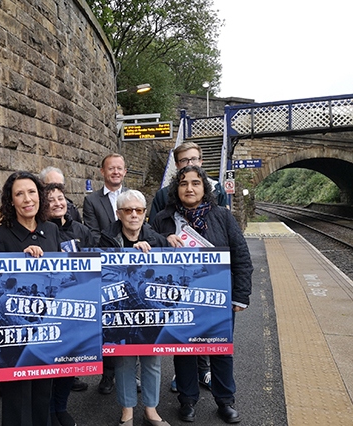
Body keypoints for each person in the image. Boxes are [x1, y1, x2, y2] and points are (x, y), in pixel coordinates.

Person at [152, 165, 253, 424]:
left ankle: (225, 400)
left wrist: (240, 296)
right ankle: (187, 400)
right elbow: (148, 256)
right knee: (184, 350)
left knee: (220, 350)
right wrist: (165, 240)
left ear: (204, 188)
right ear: (176, 189)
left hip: (218, 299)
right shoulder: (163, 219)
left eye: (195, 183)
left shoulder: (222, 216)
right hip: (180, 299)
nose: (189, 188)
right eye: (184, 183)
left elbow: (241, 257)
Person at [148, 142, 226, 393]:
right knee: (181, 327)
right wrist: (166, 238)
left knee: (207, 328)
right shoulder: (163, 195)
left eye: (194, 159)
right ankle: (185, 380)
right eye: (183, 161)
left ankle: (203, 371)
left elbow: (225, 231)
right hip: (176, 274)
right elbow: (155, 228)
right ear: (176, 164)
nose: (189, 164)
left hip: (209, 274)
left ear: (201, 162)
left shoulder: (218, 191)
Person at [0, 171, 62, 426]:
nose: (27, 199)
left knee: (43, 394)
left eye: (32, 192)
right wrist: (21, 260)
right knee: (16, 399)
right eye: (19, 194)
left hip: (45, 329)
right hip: (13, 333)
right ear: (10, 201)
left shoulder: (51, 230)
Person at [98, 190, 171, 426]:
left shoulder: (157, 240)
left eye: (138, 210)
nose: (133, 215)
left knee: (152, 361)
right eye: (128, 210)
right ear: (118, 214)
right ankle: (126, 411)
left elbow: (168, 276)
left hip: (149, 311)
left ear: (145, 214)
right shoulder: (105, 239)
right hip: (119, 312)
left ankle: (151, 410)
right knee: (124, 362)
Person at [46, 183, 98, 425]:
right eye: (51, 199)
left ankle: (60, 407)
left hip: (75, 305)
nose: (58, 203)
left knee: (68, 360)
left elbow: (94, 262)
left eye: (61, 198)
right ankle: (47, 410)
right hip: (48, 307)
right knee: (47, 361)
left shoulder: (80, 229)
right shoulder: (42, 231)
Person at [82, 153, 129, 394]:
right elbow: (92, 234)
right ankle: (108, 375)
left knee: (131, 320)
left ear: (124, 172)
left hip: (131, 269)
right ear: (102, 172)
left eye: (119, 168)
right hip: (105, 268)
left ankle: (131, 374)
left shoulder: (132, 197)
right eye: (111, 168)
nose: (115, 172)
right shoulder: (92, 201)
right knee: (108, 322)